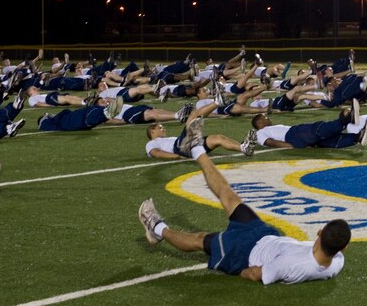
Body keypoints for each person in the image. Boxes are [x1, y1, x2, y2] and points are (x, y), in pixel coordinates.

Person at [138, 119, 350, 284]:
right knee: (229, 195)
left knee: (199, 240)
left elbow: (252, 274)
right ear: (344, 248)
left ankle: (157, 228)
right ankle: (195, 147)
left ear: (320, 232)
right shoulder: (337, 262)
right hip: (264, 235)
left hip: (244, 252)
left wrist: (235, 263)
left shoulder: (292, 265)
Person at [251, 105, 367, 149]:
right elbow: (269, 142)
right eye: (264, 118)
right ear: (259, 123)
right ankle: (345, 119)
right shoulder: (260, 132)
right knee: (318, 129)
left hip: (295, 137)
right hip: (293, 134)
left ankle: (356, 138)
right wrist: (292, 145)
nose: (268, 118)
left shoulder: (267, 129)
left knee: (327, 141)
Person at [144, 122, 255, 159]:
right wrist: (176, 156)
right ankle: (216, 101)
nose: (164, 129)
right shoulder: (151, 143)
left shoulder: (168, 139)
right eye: (160, 127)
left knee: (218, 138)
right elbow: (155, 153)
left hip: (186, 146)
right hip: (179, 148)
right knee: (192, 120)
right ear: (152, 131)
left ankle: (244, 148)